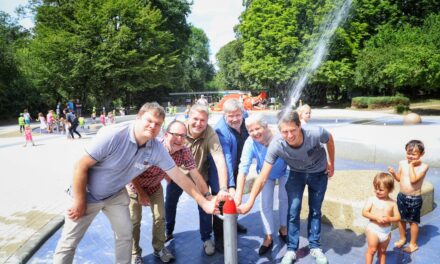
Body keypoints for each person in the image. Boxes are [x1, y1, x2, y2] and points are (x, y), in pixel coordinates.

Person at [53, 102, 219, 264]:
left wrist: (204, 202)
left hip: (115, 194)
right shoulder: (113, 135)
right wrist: (79, 200)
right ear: (138, 117)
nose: (153, 126)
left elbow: (179, 176)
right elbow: (80, 166)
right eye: (149, 121)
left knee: (125, 234)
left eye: (158, 124)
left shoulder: (156, 148)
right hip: (88, 192)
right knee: (69, 242)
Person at [238, 110, 335, 264]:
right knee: (293, 210)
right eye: (285, 131)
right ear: (279, 130)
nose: (289, 135)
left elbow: (329, 139)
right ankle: (291, 249)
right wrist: (249, 202)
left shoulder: (314, 132)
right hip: (296, 173)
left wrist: (331, 162)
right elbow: (262, 176)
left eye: (293, 130)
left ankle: (315, 246)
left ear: (300, 126)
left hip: (318, 173)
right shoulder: (277, 144)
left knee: (315, 210)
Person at [127, 120, 211, 264]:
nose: (179, 139)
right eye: (175, 135)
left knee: (160, 218)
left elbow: (195, 174)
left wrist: (207, 196)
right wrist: (141, 193)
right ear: (166, 135)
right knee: (134, 221)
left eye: (183, 136)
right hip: (135, 187)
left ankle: (159, 248)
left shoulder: (184, 151)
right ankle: (135, 253)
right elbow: (131, 173)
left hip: (154, 186)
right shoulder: (151, 148)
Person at [165, 103, 229, 256]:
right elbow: (163, 153)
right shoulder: (178, 131)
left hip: (199, 176)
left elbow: (220, 160)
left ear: (207, 121)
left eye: (203, 120)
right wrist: (167, 175)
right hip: (178, 176)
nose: (198, 123)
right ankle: (168, 230)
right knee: (170, 203)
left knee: (205, 207)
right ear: (188, 117)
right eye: (195, 119)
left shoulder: (209, 133)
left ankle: (206, 238)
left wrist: (224, 188)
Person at [234, 113, 288, 255]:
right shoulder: (250, 142)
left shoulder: (279, 137)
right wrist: (238, 196)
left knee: (284, 199)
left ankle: (283, 229)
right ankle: (268, 236)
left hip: (285, 170)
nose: (254, 133)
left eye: (257, 128)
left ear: (266, 126)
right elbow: (243, 169)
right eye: (250, 130)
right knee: (265, 204)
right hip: (266, 174)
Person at [208, 98, 249, 251]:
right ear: (224, 115)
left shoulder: (247, 122)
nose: (234, 119)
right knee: (222, 200)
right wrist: (230, 185)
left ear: (242, 112)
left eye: (237, 115)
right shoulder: (220, 130)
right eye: (230, 116)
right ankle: (219, 237)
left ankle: (233, 222)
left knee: (236, 197)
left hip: (238, 166)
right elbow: (226, 159)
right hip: (221, 171)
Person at [388, 139, 429, 253]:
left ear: (422, 154)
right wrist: (393, 173)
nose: (410, 156)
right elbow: (399, 179)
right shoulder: (402, 163)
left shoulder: (424, 166)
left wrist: (411, 166)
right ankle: (402, 238)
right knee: (401, 220)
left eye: (414, 154)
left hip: (414, 199)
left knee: (413, 222)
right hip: (401, 196)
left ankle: (413, 244)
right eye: (408, 153)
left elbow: (413, 179)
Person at [362, 172, 400, 264]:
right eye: (376, 189)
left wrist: (389, 219)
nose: (377, 191)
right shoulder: (372, 199)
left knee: (382, 252)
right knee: (372, 250)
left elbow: (398, 217)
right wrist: (376, 217)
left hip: (386, 232)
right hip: (373, 229)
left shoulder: (393, 203)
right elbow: (364, 212)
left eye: (381, 190)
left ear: (390, 190)